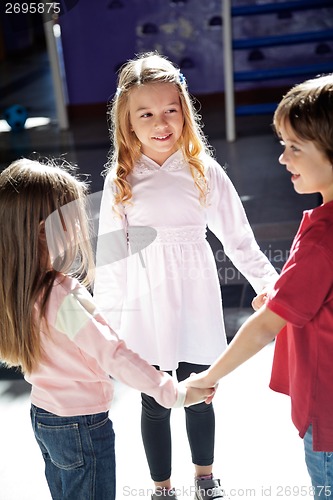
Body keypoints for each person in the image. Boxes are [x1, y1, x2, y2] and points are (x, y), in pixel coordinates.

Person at [93, 52, 278, 500]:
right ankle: (161, 487)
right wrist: (105, 327)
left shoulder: (204, 171)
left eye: (170, 110)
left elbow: (238, 239)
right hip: (146, 306)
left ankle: (205, 476)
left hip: (195, 297)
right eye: (147, 114)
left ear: (185, 112)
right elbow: (111, 258)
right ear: (128, 123)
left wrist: (272, 288)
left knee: (200, 391)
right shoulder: (121, 180)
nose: (162, 123)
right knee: (155, 400)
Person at [0, 158, 213, 500]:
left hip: (44, 417)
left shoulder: (14, 287)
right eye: (72, 216)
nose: (83, 223)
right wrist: (174, 392)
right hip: (81, 426)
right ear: (45, 229)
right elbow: (112, 354)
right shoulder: (61, 296)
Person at [186, 73, 333, 499]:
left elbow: (266, 325)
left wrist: (207, 378)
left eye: (295, 148)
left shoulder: (322, 238)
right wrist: (288, 295)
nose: (283, 159)